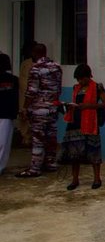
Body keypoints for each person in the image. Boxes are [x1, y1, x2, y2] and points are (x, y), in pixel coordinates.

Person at [15, 43, 62, 178]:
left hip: (39, 109)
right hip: (53, 108)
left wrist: (24, 107)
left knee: (38, 138)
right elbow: (58, 89)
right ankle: (50, 163)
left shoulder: (36, 69)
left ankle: (35, 168)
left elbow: (31, 92)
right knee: (51, 137)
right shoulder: (57, 67)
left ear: (35, 53)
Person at [59, 64, 105, 190]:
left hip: (90, 123)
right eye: (78, 79)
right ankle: (75, 179)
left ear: (88, 76)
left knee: (93, 151)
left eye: (82, 79)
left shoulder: (98, 87)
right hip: (75, 123)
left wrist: (88, 106)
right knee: (74, 153)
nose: (80, 82)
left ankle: (97, 178)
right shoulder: (76, 88)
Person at [0, 53, 18, 174]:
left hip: (6, 114)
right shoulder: (13, 80)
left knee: (3, 143)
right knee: (4, 143)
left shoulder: (13, 80)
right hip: (7, 114)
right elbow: (15, 98)